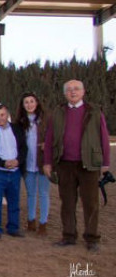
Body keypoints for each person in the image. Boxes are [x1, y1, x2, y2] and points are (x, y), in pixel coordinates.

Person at [43, 79, 110, 253]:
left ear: (83, 91)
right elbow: (49, 139)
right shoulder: (57, 112)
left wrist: (105, 163)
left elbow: (104, 137)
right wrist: (48, 162)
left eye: (76, 89)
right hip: (64, 164)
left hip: (88, 164)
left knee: (91, 203)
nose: (73, 92)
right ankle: (69, 235)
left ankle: (92, 237)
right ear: (65, 93)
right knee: (67, 202)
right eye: (69, 90)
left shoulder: (94, 112)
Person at [0, 105, 27, 240]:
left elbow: (23, 148)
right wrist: (2, 163)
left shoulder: (17, 129)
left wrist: (18, 161)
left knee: (14, 201)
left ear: (7, 115)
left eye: (2, 115)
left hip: (14, 171)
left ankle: (13, 228)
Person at [16, 92, 50, 236]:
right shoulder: (20, 123)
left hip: (42, 162)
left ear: (37, 103)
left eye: (31, 101)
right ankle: (31, 220)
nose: (29, 104)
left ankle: (43, 223)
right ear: (23, 105)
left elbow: (53, 138)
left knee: (43, 193)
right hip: (27, 162)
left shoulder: (46, 120)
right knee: (30, 193)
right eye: (26, 102)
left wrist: (47, 145)